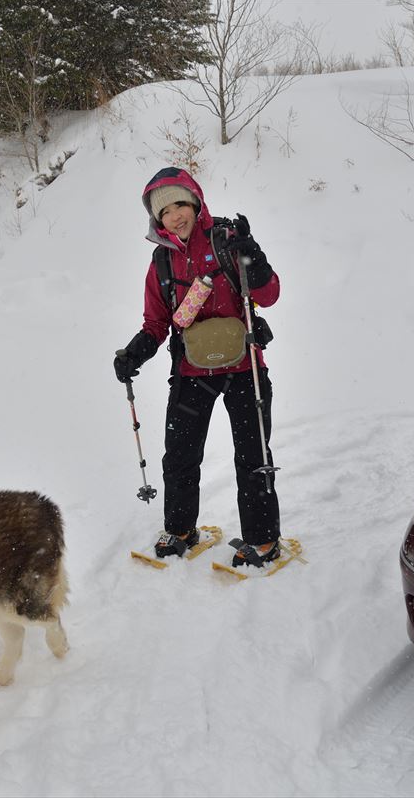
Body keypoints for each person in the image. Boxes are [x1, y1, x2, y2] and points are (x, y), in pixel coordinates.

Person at [113, 167, 282, 568]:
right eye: (165, 211)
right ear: (157, 220)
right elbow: (156, 322)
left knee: (252, 454)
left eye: (180, 204)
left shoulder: (226, 240)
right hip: (191, 371)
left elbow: (269, 294)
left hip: (245, 368)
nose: (175, 216)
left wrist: (252, 258)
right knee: (180, 454)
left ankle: (262, 540)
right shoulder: (162, 262)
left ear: (195, 202)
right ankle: (181, 529)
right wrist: (134, 353)